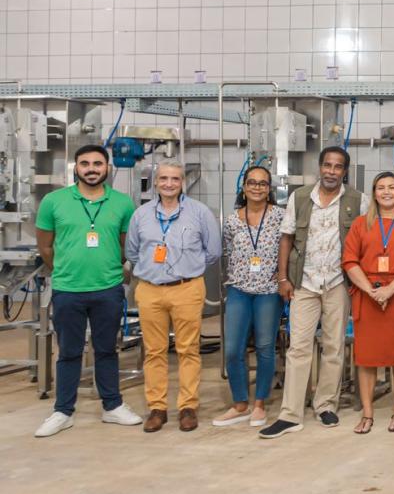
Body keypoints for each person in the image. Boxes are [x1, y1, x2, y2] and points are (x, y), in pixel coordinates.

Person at [33, 144, 143, 437]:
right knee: (69, 352)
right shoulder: (54, 202)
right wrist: (66, 269)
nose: (91, 169)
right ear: (76, 168)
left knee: (107, 349)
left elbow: (125, 246)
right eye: (85, 164)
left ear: (107, 167)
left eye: (97, 163)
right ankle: (63, 411)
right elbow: (45, 246)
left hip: (108, 289)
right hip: (68, 289)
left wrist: (108, 267)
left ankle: (112, 406)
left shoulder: (122, 203)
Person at [260, 147, 368, 439]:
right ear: (319, 167)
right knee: (298, 348)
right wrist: (283, 278)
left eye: (338, 166)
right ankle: (290, 414)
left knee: (333, 346)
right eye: (327, 165)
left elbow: (366, 241)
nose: (331, 171)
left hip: (338, 283)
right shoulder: (300, 197)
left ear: (345, 171)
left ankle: (325, 405)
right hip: (304, 283)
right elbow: (286, 239)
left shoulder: (358, 200)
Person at [125, 161, 222, 433]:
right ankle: (157, 408)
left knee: (188, 349)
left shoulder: (200, 213)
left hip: (187, 288)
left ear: (182, 183)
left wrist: (186, 266)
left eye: (175, 179)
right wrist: (154, 270)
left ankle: (188, 407)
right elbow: (132, 252)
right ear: (156, 182)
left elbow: (213, 251)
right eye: (164, 178)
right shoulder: (141, 214)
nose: (169, 184)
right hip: (150, 290)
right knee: (154, 351)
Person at [343, 172, 394, 434]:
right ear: (374, 193)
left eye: (392, 187)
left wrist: (389, 290)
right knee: (366, 356)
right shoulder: (360, 224)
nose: (386, 192)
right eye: (381, 188)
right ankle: (367, 413)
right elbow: (349, 260)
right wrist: (370, 290)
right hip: (367, 294)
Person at [213, 166, 284, 428]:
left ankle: (260, 404)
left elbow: (290, 247)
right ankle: (240, 404)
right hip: (239, 289)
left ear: (269, 189)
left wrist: (283, 274)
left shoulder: (280, 216)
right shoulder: (232, 221)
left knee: (265, 347)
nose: (257, 187)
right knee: (233, 349)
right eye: (252, 182)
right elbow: (227, 251)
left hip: (269, 291)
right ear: (244, 187)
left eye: (263, 183)